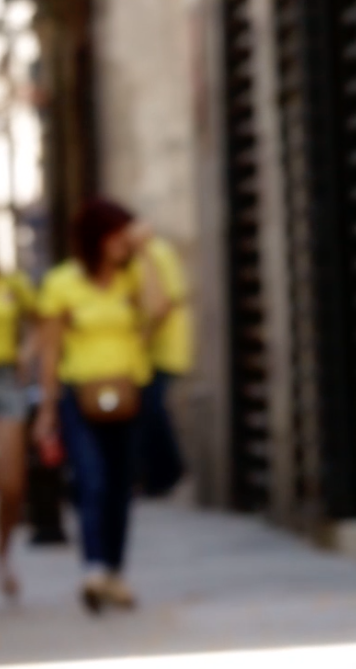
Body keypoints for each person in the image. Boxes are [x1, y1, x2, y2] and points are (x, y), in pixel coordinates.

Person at [34, 199, 169, 613]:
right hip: (80, 396)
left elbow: (159, 309)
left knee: (120, 486)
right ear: (98, 237)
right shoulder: (62, 283)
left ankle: (115, 572)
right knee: (91, 481)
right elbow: (51, 350)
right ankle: (93, 568)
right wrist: (47, 407)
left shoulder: (132, 279)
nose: (123, 242)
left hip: (131, 393)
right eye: (118, 234)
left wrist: (145, 252)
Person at [132, 227, 189, 496]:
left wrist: (141, 339)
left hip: (162, 351)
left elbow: (164, 305)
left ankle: (167, 473)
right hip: (144, 354)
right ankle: (157, 475)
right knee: (147, 410)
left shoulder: (158, 252)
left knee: (151, 409)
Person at [0, 264, 36, 602]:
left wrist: (26, 352)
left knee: (12, 485)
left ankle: (4, 552)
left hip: (6, 378)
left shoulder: (13, 281)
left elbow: (40, 321)